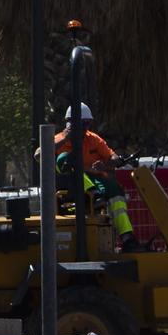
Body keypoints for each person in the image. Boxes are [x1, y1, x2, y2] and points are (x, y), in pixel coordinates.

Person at [52, 103, 140, 252]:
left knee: (115, 190)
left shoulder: (93, 139)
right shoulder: (58, 140)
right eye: (83, 123)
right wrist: (66, 139)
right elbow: (39, 155)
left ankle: (127, 237)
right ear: (70, 123)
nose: (85, 128)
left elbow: (114, 158)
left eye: (88, 123)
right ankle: (94, 195)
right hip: (69, 182)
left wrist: (105, 164)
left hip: (95, 180)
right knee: (68, 162)